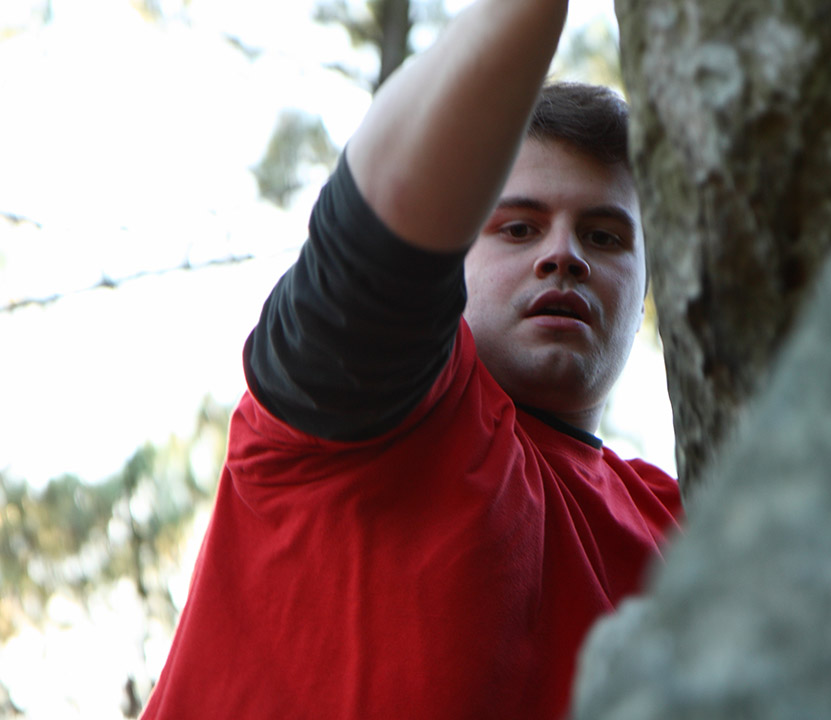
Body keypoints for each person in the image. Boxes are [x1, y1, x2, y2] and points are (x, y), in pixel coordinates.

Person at [141, 0, 681, 717]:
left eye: (606, 236)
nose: (563, 255)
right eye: (518, 227)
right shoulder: (372, 412)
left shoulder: (685, 525)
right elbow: (382, 219)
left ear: (652, 283)